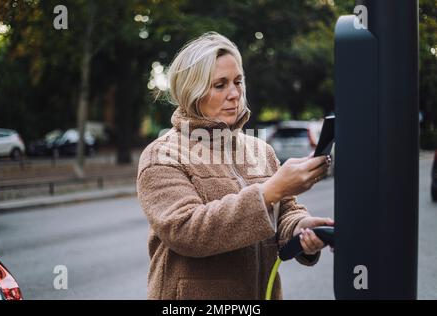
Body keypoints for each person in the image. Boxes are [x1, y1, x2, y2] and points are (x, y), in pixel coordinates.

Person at [137, 32, 334, 300]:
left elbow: (286, 214)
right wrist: (269, 191)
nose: (234, 94)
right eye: (220, 85)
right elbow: (187, 231)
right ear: (192, 92)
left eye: (238, 81)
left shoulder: (259, 150)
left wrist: (302, 229)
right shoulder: (161, 155)